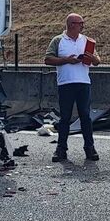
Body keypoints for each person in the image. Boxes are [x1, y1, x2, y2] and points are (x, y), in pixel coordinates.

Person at [44, 13, 101, 162]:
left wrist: (93, 58)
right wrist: (66, 60)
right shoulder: (58, 40)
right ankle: (61, 149)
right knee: (65, 118)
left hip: (83, 83)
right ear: (71, 24)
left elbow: (97, 61)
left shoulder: (87, 41)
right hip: (65, 84)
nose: (82, 25)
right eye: (79, 23)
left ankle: (90, 148)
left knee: (85, 117)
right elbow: (47, 59)